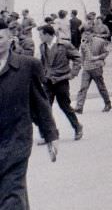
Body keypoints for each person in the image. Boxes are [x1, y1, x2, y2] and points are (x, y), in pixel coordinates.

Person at [0, 30, 60, 209]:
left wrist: (51, 135)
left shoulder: (27, 66)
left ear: (10, 39)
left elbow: (39, 102)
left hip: (16, 141)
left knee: (12, 195)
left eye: (0, 37)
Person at [39, 24, 83, 140]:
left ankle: (77, 127)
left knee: (65, 106)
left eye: (41, 35)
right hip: (48, 81)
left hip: (61, 80)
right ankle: (51, 133)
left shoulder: (64, 45)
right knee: (46, 108)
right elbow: (43, 62)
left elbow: (78, 58)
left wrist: (73, 74)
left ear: (48, 35)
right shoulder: (42, 46)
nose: (40, 37)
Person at [74, 28, 112, 114]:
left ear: (92, 34)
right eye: (84, 34)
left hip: (96, 67)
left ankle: (107, 103)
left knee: (101, 87)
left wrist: (97, 58)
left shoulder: (100, 41)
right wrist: (82, 64)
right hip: (86, 69)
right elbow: (82, 56)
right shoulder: (83, 44)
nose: (85, 36)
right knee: (83, 88)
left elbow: (106, 53)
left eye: (87, 34)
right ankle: (79, 107)